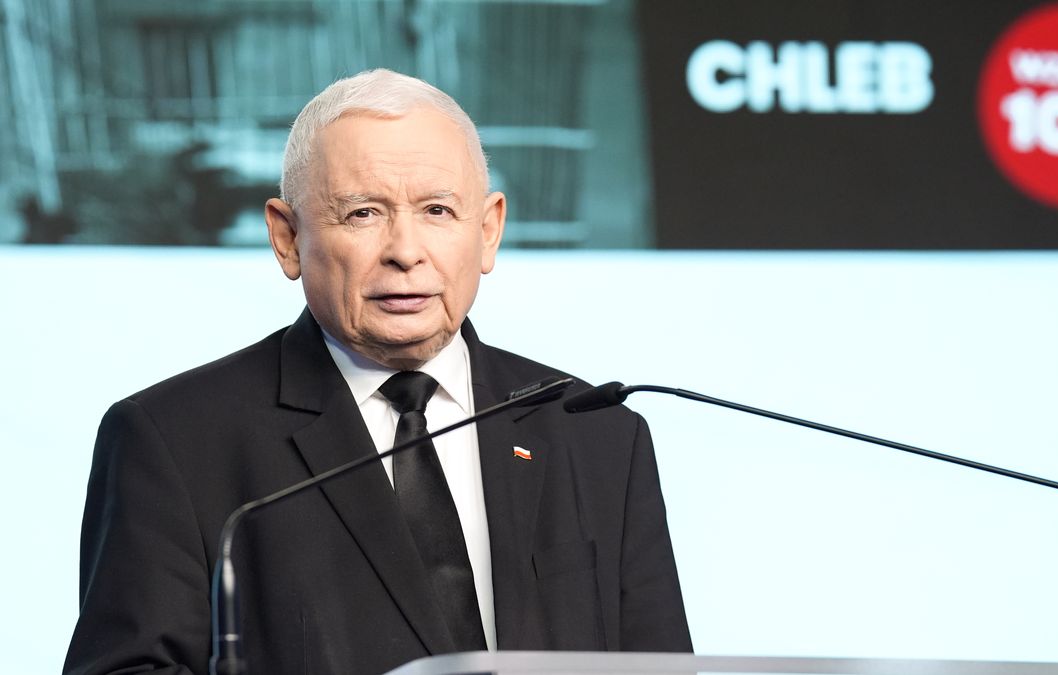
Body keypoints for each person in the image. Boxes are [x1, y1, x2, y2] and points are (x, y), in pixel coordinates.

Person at [64, 69, 691, 674]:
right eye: (363, 213)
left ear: (488, 230)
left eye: (437, 211)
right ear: (287, 238)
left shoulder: (595, 431)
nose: (405, 252)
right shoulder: (173, 440)